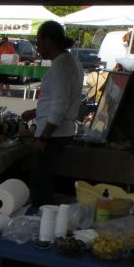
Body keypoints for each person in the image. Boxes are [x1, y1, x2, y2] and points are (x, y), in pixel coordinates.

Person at [21, 21, 82, 206]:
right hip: (59, 131)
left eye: (39, 43)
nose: (38, 49)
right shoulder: (68, 61)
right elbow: (59, 101)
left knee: (41, 185)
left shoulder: (61, 66)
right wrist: (37, 111)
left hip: (54, 135)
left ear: (49, 41)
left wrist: (43, 139)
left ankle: (41, 223)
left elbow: (59, 106)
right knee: (44, 182)